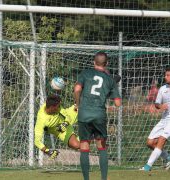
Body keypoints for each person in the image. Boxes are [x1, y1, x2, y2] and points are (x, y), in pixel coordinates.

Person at [74, 52, 121, 180]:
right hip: (99, 114)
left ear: (94, 62)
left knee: (84, 144)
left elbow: (77, 89)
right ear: (106, 64)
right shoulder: (110, 79)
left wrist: (78, 104)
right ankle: (104, 179)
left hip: (84, 113)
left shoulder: (85, 73)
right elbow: (118, 103)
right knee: (101, 146)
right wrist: (112, 87)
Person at [34, 94, 79, 159]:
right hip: (60, 132)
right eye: (58, 106)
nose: (59, 107)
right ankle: (91, 135)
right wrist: (48, 151)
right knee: (76, 145)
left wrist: (65, 123)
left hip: (67, 118)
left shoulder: (57, 107)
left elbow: (67, 117)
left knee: (83, 105)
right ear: (52, 107)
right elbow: (37, 141)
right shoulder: (42, 120)